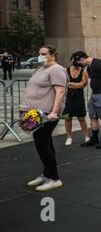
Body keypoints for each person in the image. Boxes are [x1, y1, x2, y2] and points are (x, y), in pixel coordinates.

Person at [23, 45, 67, 192]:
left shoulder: (56, 69)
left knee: (41, 143)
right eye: (39, 53)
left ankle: (54, 178)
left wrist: (54, 112)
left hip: (47, 114)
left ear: (53, 55)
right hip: (35, 112)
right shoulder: (41, 69)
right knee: (46, 143)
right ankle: (47, 174)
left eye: (44, 54)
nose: (40, 56)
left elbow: (60, 92)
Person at [74, 51, 101, 149]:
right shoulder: (89, 67)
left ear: (82, 59)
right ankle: (94, 139)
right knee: (93, 116)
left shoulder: (98, 63)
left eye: (79, 63)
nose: (80, 65)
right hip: (95, 94)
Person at [63, 53, 90, 146]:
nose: (78, 63)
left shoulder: (84, 71)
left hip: (79, 97)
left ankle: (86, 136)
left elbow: (82, 85)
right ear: (72, 60)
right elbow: (64, 83)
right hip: (69, 97)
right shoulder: (65, 70)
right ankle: (69, 137)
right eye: (76, 60)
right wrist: (75, 85)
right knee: (67, 117)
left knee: (81, 118)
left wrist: (69, 84)